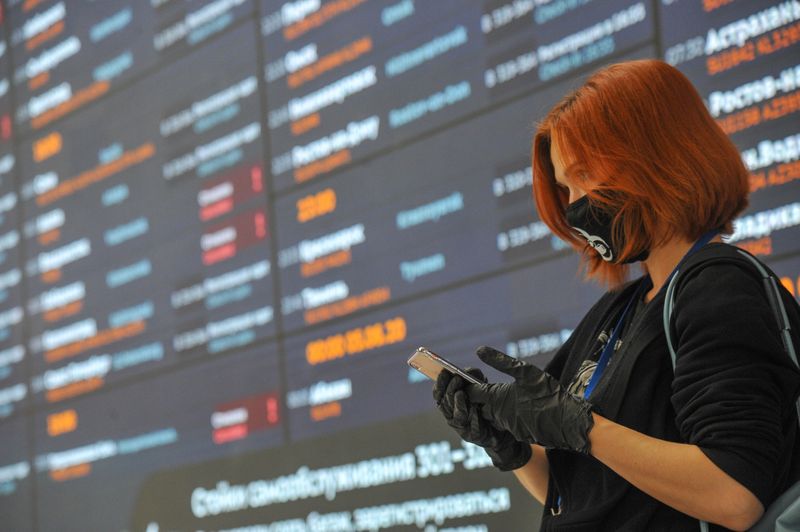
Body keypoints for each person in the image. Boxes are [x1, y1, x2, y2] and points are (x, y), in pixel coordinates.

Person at [433, 59, 800, 531]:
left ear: (655, 154)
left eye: (583, 175)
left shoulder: (719, 285)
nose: (572, 207)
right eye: (564, 189)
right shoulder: (619, 311)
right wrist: (514, 448)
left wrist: (584, 429)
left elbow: (734, 494)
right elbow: (590, 492)